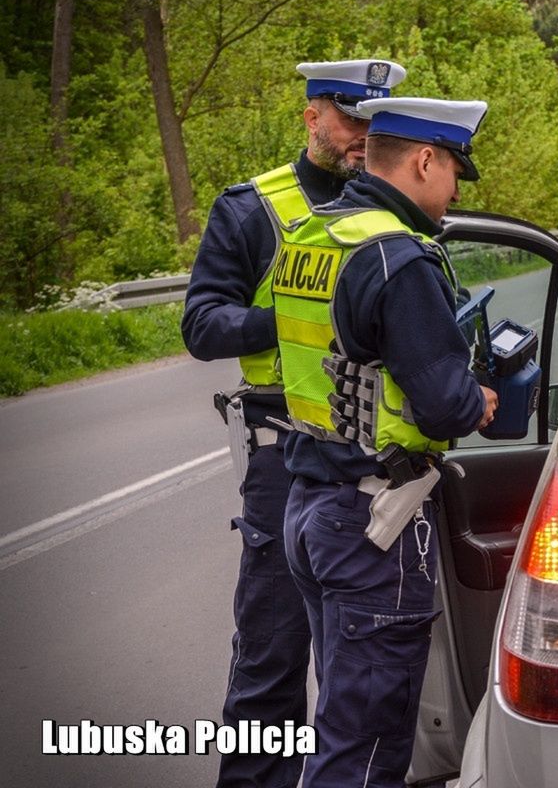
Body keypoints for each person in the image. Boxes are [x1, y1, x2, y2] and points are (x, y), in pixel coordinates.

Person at [181, 59, 406, 788]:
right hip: (287, 462)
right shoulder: (252, 210)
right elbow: (203, 325)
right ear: (311, 116)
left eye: (377, 123)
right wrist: (296, 317)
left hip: (386, 462)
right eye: (350, 120)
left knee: (374, 657)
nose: (363, 137)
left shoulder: (398, 203)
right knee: (273, 662)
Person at [275, 97, 498, 787]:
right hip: (376, 522)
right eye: (455, 169)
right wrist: (478, 398)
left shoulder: (314, 235)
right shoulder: (399, 258)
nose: (456, 188)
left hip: (310, 505)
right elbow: (441, 404)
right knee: (366, 749)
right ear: (425, 159)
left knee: (340, 727)